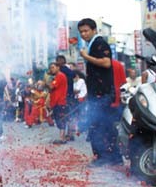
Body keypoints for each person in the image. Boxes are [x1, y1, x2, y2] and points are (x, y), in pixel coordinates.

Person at [77, 18, 120, 166]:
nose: (83, 34)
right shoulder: (91, 45)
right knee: (105, 125)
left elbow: (106, 62)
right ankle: (114, 157)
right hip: (97, 94)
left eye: (86, 31)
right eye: (81, 32)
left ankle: (103, 157)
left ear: (94, 30)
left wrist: (86, 57)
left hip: (102, 94)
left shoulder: (99, 43)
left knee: (97, 126)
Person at [49, 62, 70, 144]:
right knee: (59, 119)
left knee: (61, 119)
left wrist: (44, 83)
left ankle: (62, 138)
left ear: (58, 67)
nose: (52, 69)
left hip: (60, 101)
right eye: (51, 68)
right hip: (57, 101)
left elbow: (51, 86)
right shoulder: (58, 76)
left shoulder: (60, 76)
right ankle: (63, 137)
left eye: (53, 67)